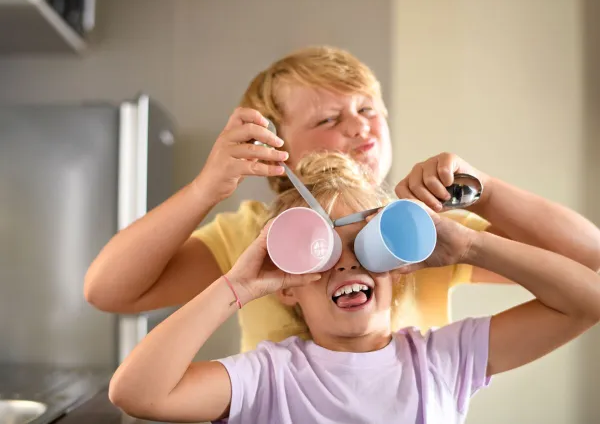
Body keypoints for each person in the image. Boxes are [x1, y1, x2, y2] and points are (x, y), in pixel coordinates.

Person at [84, 46, 600, 352]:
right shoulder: (250, 237)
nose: (360, 128)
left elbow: (590, 263)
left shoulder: (420, 230)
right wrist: (206, 189)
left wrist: (483, 190)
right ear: (272, 144)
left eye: (368, 108)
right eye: (329, 119)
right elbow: (109, 291)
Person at [107, 152, 600, 423]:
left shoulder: (442, 360)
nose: (346, 264)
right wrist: (237, 285)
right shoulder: (269, 377)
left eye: (367, 244)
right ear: (288, 287)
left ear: (401, 265)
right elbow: (137, 393)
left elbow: (587, 301)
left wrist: (470, 245)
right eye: (320, 251)